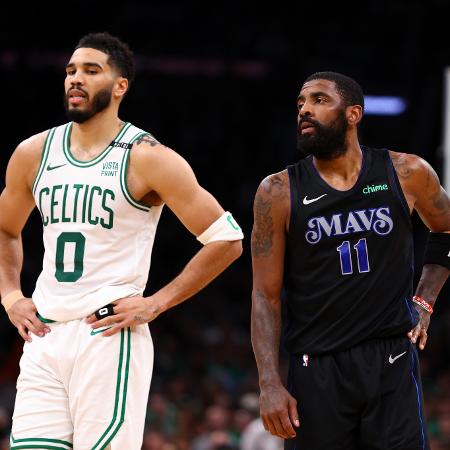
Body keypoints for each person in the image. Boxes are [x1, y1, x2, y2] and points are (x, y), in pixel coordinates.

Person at [0, 32, 243, 450]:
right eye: (71, 70)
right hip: (44, 337)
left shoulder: (147, 156)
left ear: (119, 86)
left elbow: (227, 239)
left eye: (91, 71)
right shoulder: (32, 153)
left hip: (107, 336)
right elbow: (6, 229)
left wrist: (156, 302)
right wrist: (9, 295)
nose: (75, 79)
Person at [250, 71, 450, 449]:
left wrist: (424, 301)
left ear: (354, 114)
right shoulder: (277, 191)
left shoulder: (406, 172)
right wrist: (269, 383)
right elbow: (265, 295)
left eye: (319, 100)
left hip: (390, 356)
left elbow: (446, 231)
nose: (305, 110)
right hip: (317, 367)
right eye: (300, 104)